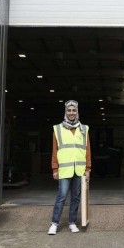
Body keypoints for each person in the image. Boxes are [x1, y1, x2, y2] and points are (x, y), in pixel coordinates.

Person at [48, 100, 91, 235]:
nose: (71, 113)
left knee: (76, 197)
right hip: (64, 169)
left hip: (79, 169)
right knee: (61, 196)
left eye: (74, 111)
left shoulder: (84, 129)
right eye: (69, 110)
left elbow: (87, 150)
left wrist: (88, 168)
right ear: (65, 112)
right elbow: (54, 150)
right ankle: (54, 223)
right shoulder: (57, 129)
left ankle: (72, 222)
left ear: (77, 112)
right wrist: (55, 168)